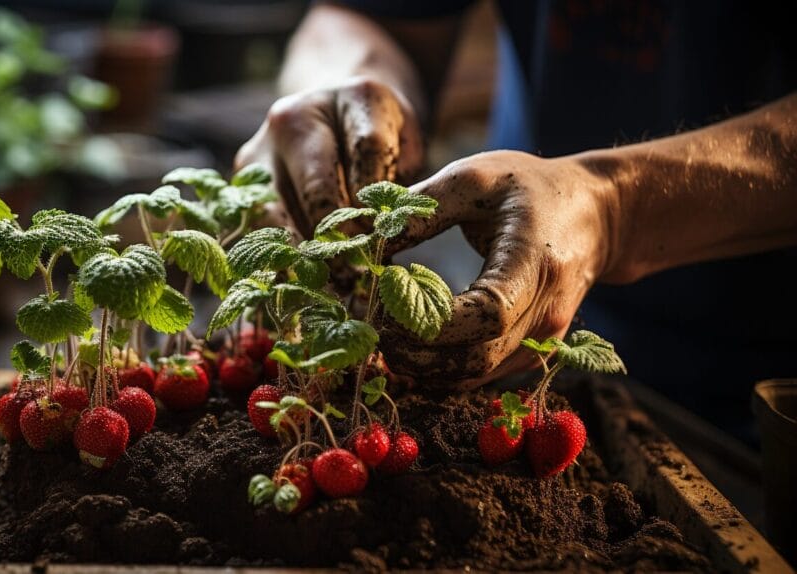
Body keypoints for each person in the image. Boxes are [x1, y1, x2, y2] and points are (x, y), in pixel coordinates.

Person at [234, 1, 797, 439]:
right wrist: (344, 90)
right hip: (527, 332)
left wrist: (615, 207)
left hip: (770, 393)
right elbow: (376, 18)